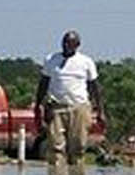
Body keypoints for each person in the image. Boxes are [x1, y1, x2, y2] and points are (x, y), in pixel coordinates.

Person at [34, 30, 104, 164]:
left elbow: (95, 87)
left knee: (78, 147)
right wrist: (38, 106)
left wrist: (101, 111)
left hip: (79, 107)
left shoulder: (86, 62)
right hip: (56, 107)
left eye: (70, 43)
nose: (66, 45)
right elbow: (43, 84)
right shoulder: (51, 60)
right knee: (55, 147)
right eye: (64, 42)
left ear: (77, 45)